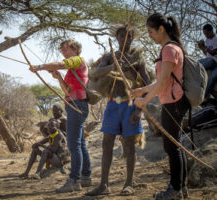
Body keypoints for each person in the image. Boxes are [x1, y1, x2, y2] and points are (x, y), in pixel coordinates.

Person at [86, 25, 150, 196]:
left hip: (131, 105)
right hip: (113, 105)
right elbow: (95, 73)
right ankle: (103, 185)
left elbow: (148, 84)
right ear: (117, 38)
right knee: (106, 143)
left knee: (129, 145)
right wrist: (113, 67)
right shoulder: (109, 57)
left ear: (132, 38)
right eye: (122, 36)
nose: (125, 39)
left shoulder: (138, 59)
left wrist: (139, 110)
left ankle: (129, 184)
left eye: (129, 36)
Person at [133, 13, 189, 200]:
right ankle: (180, 187)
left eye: (151, 31)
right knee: (175, 145)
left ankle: (175, 189)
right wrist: (143, 90)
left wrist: (145, 100)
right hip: (173, 101)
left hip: (173, 103)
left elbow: (164, 81)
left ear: (161, 29)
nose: (150, 35)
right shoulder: (171, 48)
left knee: (172, 147)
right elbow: (161, 80)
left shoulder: (169, 49)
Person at [29, 39, 92, 193]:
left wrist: (40, 67)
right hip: (75, 104)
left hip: (77, 106)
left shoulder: (77, 60)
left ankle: (74, 181)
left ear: (76, 49)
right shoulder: (72, 70)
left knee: (74, 145)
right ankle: (85, 177)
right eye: (62, 50)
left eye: (66, 49)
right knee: (80, 143)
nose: (63, 52)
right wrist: (58, 78)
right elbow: (66, 91)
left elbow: (59, 64)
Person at [197, 24, 217, 97]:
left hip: (214, 61)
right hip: (209, 60)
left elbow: (213, 53)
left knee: (212, 77)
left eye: (207, 33)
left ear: (211, 31)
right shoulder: (207, 40)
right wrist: (202, 48)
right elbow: (206, 53)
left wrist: (204, 46)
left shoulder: (216, 39)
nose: (206, 35)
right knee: (197, 63)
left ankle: (204, 95)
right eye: (204, 34)